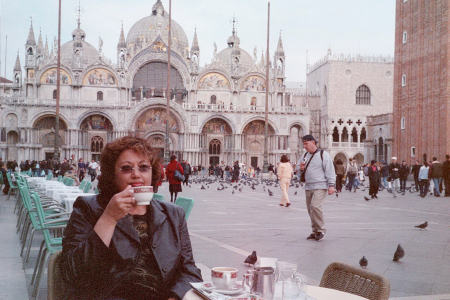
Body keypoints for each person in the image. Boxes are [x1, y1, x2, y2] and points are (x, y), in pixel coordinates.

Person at [61, 136, 202, 300]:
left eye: (143, 168)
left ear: (152, 173)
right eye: (127, 168)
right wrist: (108, 218)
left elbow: (189, 271)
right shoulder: (88, 208)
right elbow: (71, 273)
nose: (136, 175)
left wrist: (175, 297)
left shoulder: (174, 214)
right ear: (112, 174)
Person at [299, 135, 335, 241]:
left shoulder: (324, 155)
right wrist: (300, 169)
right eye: (303, 144)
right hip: (308, 186)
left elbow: (329, 170)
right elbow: (298, 169)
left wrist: (331, 185)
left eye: (306, 144)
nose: (304, 146)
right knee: (310, 209)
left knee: (315, 206)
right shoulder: (304, 155)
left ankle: (321, 230)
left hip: (320, 185)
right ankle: (314, 231)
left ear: (313, 142)